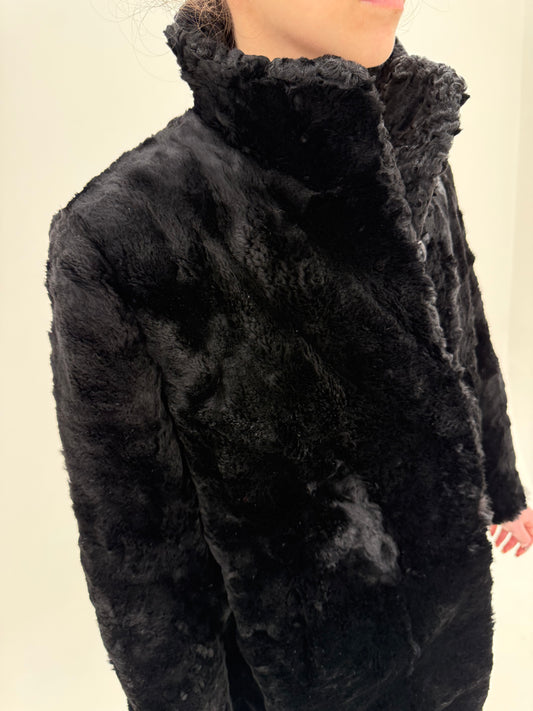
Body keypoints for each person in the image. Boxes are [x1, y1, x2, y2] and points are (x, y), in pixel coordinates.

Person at [45, 1, 533, 710]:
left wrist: (502, 483)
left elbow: (462, 324)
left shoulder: (411, 144)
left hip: (452, 658)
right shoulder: (123, 234)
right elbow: (143, 568)